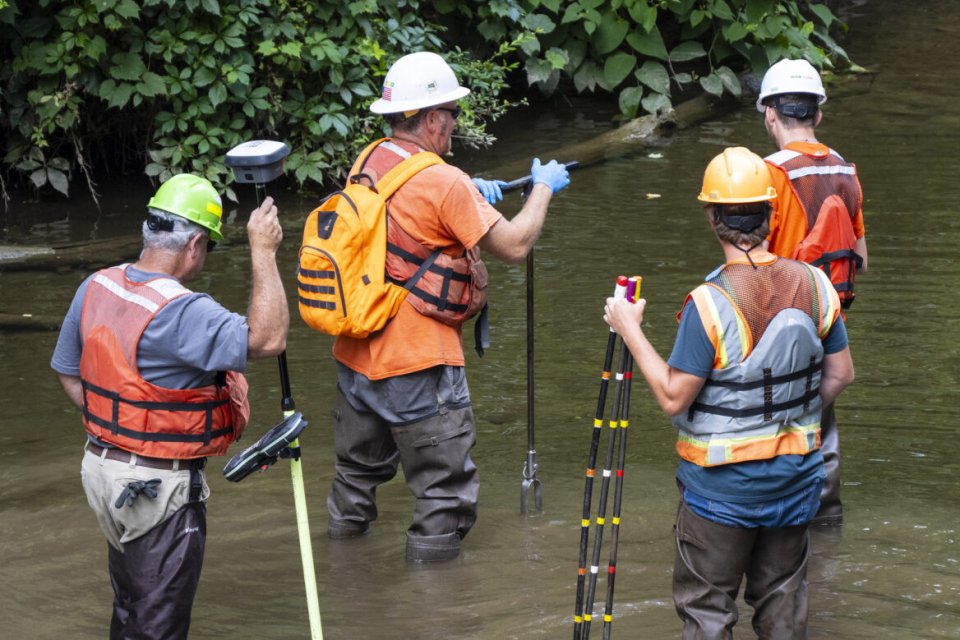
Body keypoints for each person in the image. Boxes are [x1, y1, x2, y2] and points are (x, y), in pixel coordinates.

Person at [324, 50, 570, 562]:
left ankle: (342, 576)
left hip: (356, 358)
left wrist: (473, 199)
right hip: (418, 363)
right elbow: (516, 244)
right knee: (444, 497)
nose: (455, 124)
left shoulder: (369, 161)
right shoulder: (445, 181)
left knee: (354, 481)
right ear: (431, 118)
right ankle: (435, 613)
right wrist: (542, 188)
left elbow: (410, 220)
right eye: (452, 114)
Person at [603, 147, 854, 639]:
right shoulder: (816, 284)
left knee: (708, 611)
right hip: (796, 479)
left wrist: (630, 328)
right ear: (772, 211)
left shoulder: (709, 303)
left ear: (712, 217)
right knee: (783, 608)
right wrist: (786, 420)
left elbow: (674, 398)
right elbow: (841, 375)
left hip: (720, 493)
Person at [50, 174, 289, 639]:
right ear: (195, 244)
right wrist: (263, 250)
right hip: (156, 491)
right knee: (158, 625)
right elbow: (269, 338)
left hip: (102, 472)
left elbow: (66, 369)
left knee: (130, 607)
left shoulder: (98, 285)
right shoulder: (184, 311)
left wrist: (115, 431)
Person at [757, 58, 868, 526]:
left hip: (777, 322)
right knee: (823, 436)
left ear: (769, 114)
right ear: (818, 115)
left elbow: (752, 260)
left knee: (766, 432)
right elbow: (862, 256)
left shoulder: (768, 174)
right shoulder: (847, 171)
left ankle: (770, 527)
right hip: (829, 322)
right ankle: (826, 536)